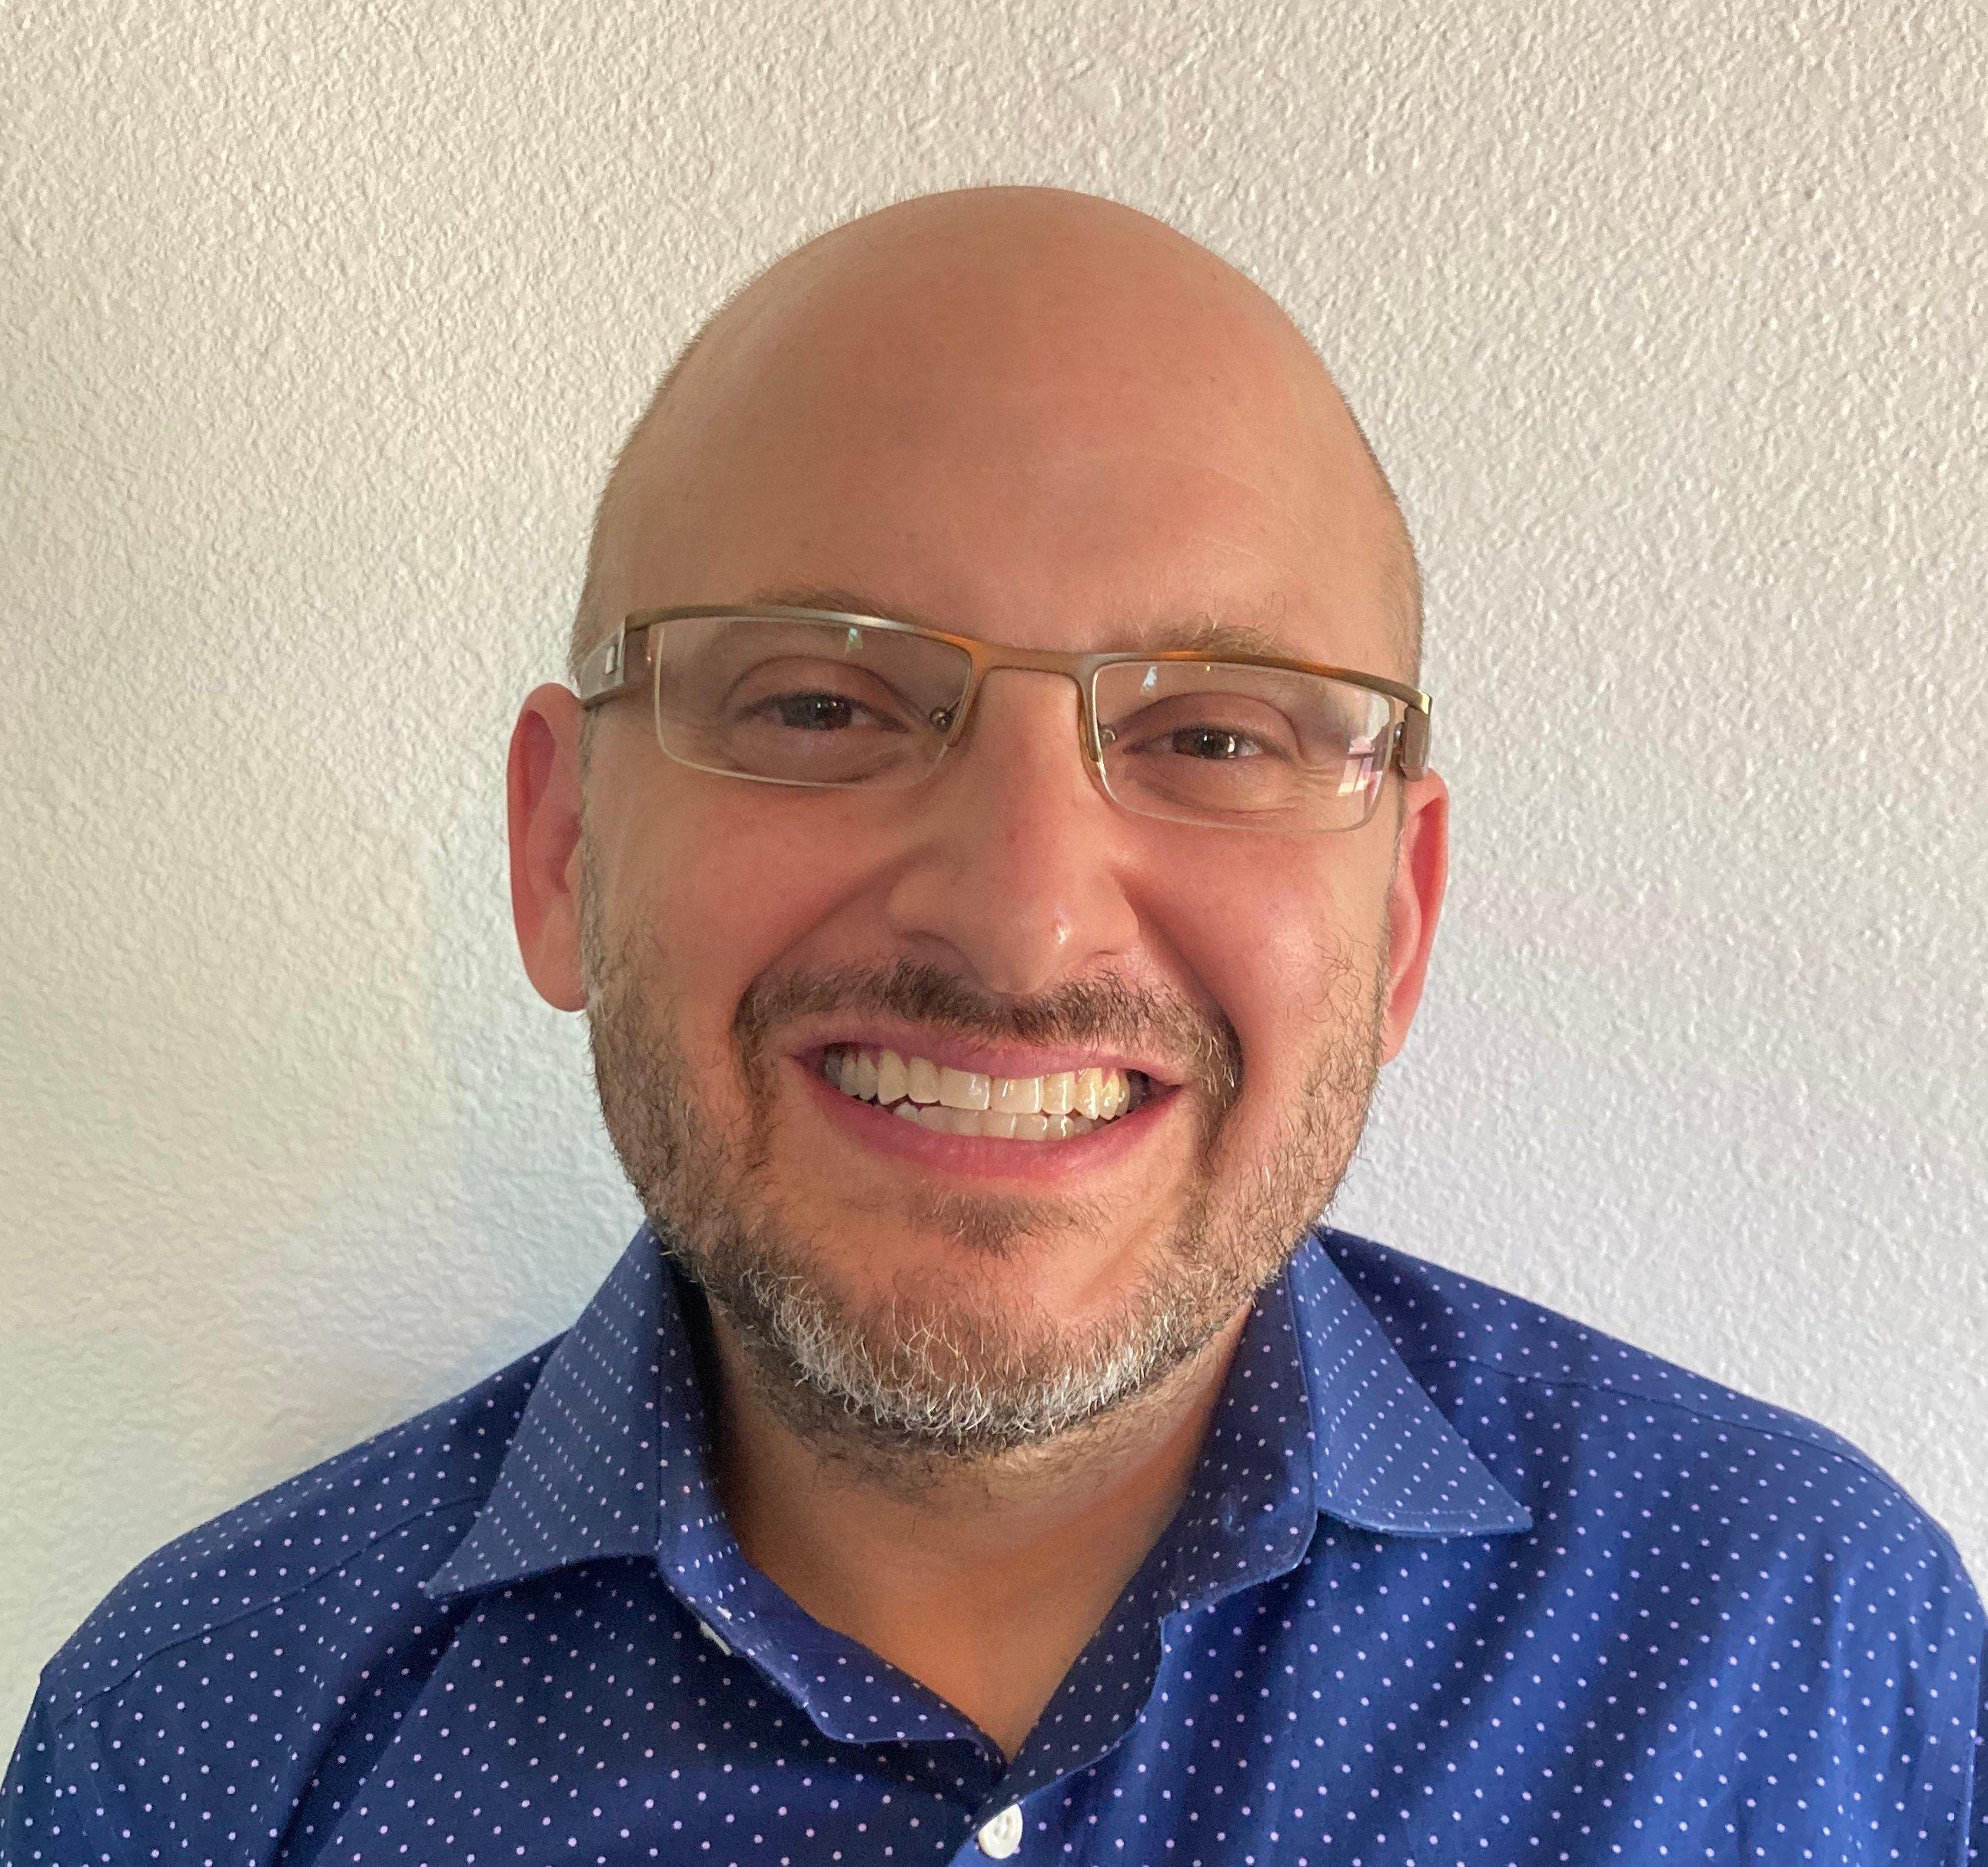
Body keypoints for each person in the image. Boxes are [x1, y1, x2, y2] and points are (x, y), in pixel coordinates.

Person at [5, 183, 1982, 1865]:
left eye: (1217, 732)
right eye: (820, 704)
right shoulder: (199, 1738)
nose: (1024, 914)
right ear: (562, 843)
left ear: (1400, 915)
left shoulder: (1809, 1655)